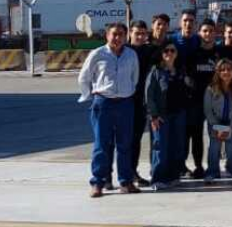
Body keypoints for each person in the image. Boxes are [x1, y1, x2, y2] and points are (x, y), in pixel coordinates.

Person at [77, 22, 141, 197]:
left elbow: (134, 78)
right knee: (101, 145)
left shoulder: (131, 55)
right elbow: (84, 78)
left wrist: (126, 92)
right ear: (107, 36)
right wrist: (91, 96)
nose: (117, 38)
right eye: (114, 34)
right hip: (103, 103)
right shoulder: (97, 54)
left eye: (121, 34)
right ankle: (98, 182)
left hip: (125, 104)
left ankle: (125, 182)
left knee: (125, 145)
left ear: (126, 36)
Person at [145, 42, 190, 190]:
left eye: (172, 51)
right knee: (160, 147)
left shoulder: (181, 71)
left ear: (176, 54)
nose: (169, 53)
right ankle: (158, 178)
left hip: (179, 114)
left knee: (176, 147)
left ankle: (173, 176)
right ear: (161, 54)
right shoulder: (156, 71)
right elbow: (149, 95)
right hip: (161, 116)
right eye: (166, 51)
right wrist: (153, 115)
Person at [181, 19, 219, 179]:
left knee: (216, 135)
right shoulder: (192, 53)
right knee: (192, 135)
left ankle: (213, 166)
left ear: (215, 33)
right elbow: (185, 75)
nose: (208, 34)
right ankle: (188, 166)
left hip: (214, 101)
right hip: (194, 101)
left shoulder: (219, 53)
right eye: (205, 31)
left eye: (211, 31)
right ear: (200, 33)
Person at [203, 58, 232, 183]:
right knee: (214, 147)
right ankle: (212, 171)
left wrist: (230, 127)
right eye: (222, 70)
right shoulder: (211, 89)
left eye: (229, 69)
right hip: (215, 123)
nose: (226, 72)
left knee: (231, 146)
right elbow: (207, 109)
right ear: (218, 72)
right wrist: (216, 126)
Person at [127, 20, 158, 187]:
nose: (139, 36)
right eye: (136, 33)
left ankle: (133, 172)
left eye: (143, 33)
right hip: (123, 102)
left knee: (136, 139)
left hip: (141, 102)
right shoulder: (123, 50)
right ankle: (110, 176)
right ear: (130, 33)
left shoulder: (150, 50)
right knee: (119, 141)